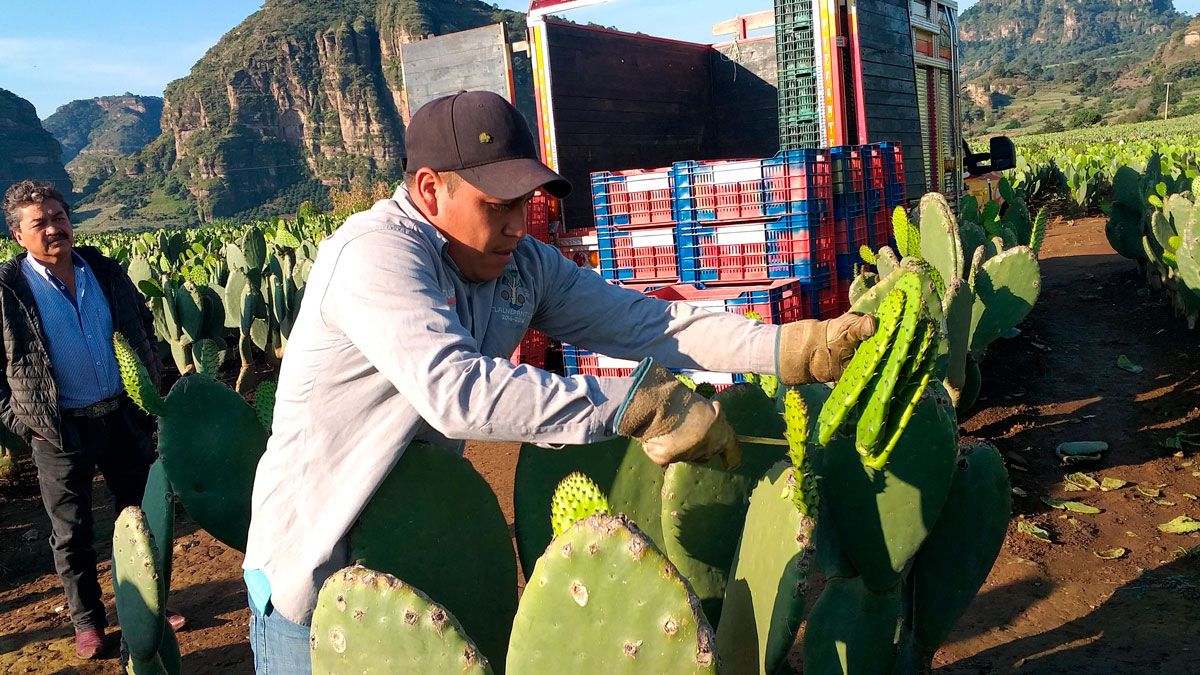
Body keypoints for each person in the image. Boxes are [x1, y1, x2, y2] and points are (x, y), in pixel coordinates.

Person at [242, 90, 875, 672]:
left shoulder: (520, 265)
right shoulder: (374, 257)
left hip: (414, 559)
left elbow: (647, 323)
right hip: (313, 577)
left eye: (524, 203)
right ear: (431, 190)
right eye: (498, 206)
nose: (519, 225)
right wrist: (638, 405)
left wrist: (791, 348)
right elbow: (458, 393)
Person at [0, 180, 184, 660]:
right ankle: (88, 623)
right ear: (18, 235)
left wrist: (148, 387)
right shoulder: (7, 290)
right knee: (72, 533)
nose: (53, 228)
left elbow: (142, 325)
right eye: (39, 223)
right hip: (60, 430)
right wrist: (26, 423)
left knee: (142, 518)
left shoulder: (103, 269)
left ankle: (150, 608)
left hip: (122, 416)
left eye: (58, 217)